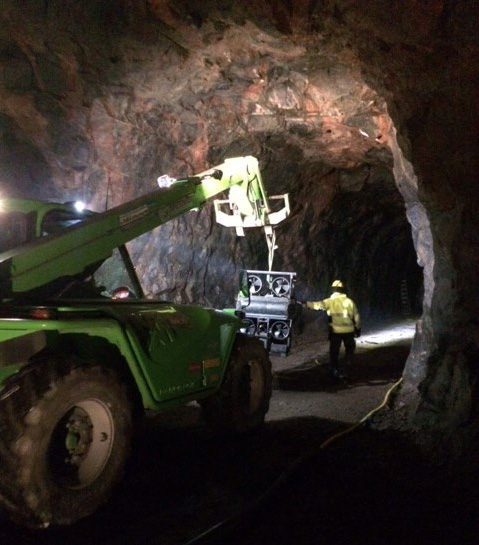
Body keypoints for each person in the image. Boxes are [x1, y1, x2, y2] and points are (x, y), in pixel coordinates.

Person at [306, 280, 361, 381]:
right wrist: (358, 328)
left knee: (334, 352)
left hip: (336, 332)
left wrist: (306, 304)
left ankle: (334, 370)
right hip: (349, 331)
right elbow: (356, 316)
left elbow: (318, 305)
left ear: (333, 290)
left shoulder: (330, 301)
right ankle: (346, 369)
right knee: (349, 351)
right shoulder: (349, 301)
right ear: (342, 290)